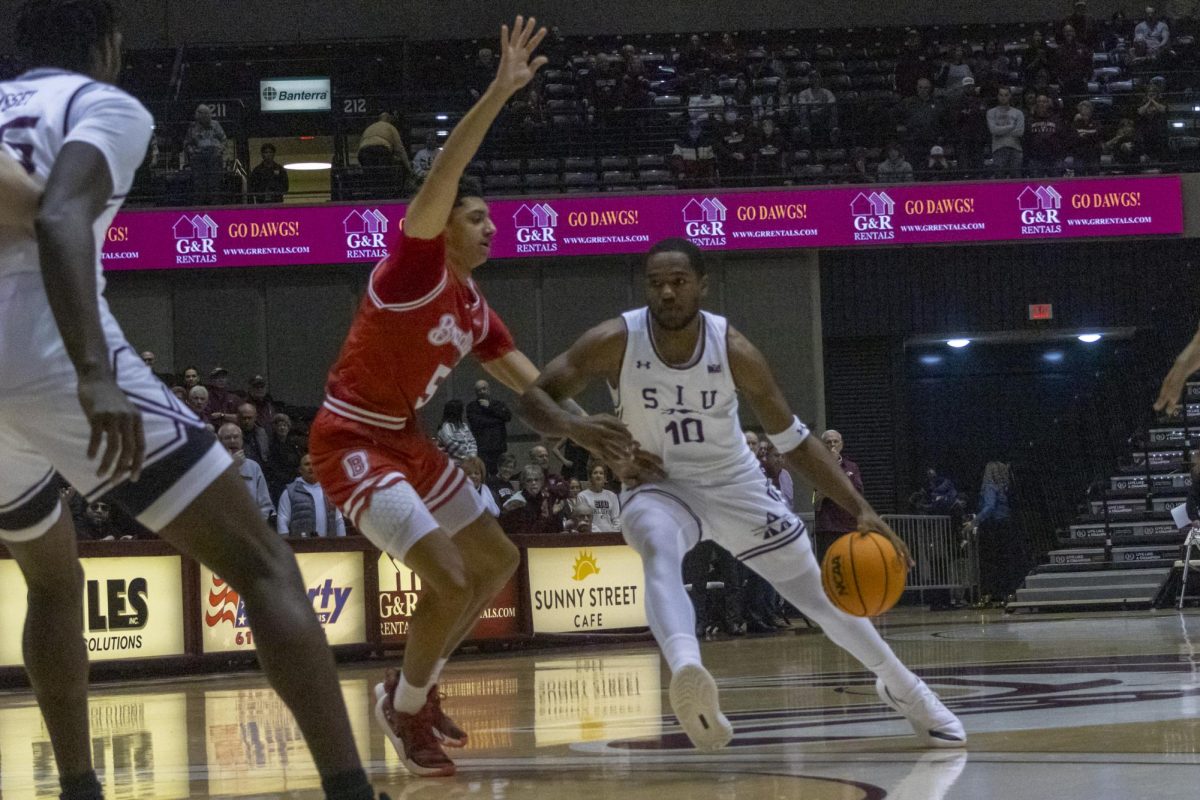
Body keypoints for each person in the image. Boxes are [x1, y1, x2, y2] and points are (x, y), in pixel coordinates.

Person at [0, 4, 383, 799]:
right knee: (264, 563)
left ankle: (78, 787)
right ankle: (350, 791)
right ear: (107, 47)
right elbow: (63, 216)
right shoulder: (101, 105)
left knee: (51, 577)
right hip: (48, 352)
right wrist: (95, 373)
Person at [518, 237, 965, 752]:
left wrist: (860, 508)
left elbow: (794, 440)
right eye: (656, 283)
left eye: (678, 282)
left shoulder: (734, 351)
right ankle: (689, 673)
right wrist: (579, 432)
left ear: (702, 286)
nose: (666, 292)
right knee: (658, 551)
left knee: (819, 598)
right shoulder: (614, 340)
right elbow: (532, 398)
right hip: (658, 485)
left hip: (737, 486)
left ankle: (906, 689)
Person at [308, 16, 559, 778]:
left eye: (491, 217)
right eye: (476, 215)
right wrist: (499, 92)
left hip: (408, 440)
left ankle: (411, 690)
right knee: (448, 576)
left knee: (494, 560)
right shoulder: (412, 268)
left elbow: (534, 385)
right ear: (442, 224)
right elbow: (446, 170)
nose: (491, 225)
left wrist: (594, 430)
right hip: (351, 439)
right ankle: (406, 708)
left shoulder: (474, 304)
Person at [967, 461, 1016, 601]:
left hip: (993, 526)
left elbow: (989, 507)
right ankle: (1006, 592)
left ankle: (994, 593)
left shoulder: (989, 487)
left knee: (992, 560)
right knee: (1005, 559)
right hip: (1006, 523)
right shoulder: (1004, 488)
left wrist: (974, 522)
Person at [813, 429, 864, 562]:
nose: (832, 445)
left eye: (836, 441)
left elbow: (857, 493)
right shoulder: (817, 467)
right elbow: (816, 498)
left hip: (848, 526)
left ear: (841, 444)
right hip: (828, 528)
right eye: (828, 442)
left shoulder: (852, 467)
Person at [278, 454, 346, 537]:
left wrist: (342, 543)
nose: (311, 467)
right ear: (300, 470)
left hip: (329, 546)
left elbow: (338, 520)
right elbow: (282, 520)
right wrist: (286, 544)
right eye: (307, 464)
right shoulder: (290, 492)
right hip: (300, 547)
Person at [218, 423, 275, 522]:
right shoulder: (212, 466)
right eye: (227, 438)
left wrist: (257, 523)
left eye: (236, 437)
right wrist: (231, 466)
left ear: (242, 440)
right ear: (220, 442)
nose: (232, 441)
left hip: (251, 526)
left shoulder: (253, 466)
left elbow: (265, 504)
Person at [465, 378, 512, 475]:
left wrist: (490, 407)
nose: (481, 392)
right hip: (483, 447)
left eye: (484, 389)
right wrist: (498, 421)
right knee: (484, 474)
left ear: (489, 389)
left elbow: (507, 417)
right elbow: (478, 423)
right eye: (479, 390)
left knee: (500, 474)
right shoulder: (472, 407)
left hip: (499, 446)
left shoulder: (498, 404)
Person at [184, 103, 226, 205]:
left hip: (213, 156)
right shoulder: (192, 127)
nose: (207, 116)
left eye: (208, 114)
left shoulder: (215, 125)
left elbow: (224, 140)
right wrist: (192, 152)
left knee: (214, 183)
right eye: (204, 114)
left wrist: (219, 151)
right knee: (199, 184)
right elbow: (187, 143)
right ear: (198, 115)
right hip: (198, 158)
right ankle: (199, 206)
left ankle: (215, 206)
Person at [988, 86, 1025, 178]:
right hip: (998, 148)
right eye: (1001, 95)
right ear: (997, 96)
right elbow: (993, 130)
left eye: (1006, 95)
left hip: (1015, 148)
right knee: (999, 177)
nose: (1003, 97)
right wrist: (1012, 127)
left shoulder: (1018, 113)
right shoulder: (991, 112)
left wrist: (1001, 130)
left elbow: (1020, 132)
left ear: (1010, 96)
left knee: (1016, 177)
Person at [578, 463, 621, 532]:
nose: (598, 475)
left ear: (605, 478)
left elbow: (616, 518)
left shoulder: (612, 495)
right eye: (595, 473)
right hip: (592, 536)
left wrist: (613, 533)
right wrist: (599, 534)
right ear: (590, 478)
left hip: (611, 536)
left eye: (601, 473)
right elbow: (584, 520)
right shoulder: (582, 496)